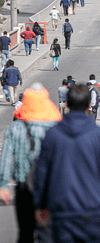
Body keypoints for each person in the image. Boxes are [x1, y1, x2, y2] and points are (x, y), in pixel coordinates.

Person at [32, 83, 100, 242]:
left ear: (68, 104)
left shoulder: (53, 135)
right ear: (88, 105)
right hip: (93, 213)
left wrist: (40, 204)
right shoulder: (98, 135)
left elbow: (42, 173)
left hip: (62, 213)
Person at [0, 84, 62, 242]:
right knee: (47, 232)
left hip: (23, 187)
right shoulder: (55, 129)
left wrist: (3, 185)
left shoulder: (15, 128)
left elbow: (6, 156)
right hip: (49, 187)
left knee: (25, 232)